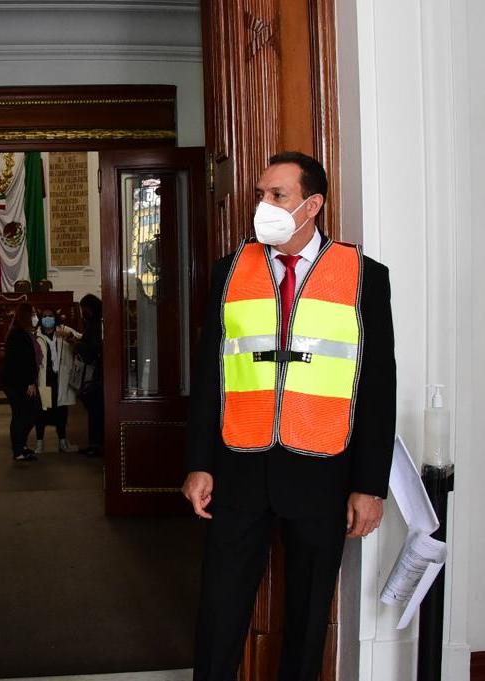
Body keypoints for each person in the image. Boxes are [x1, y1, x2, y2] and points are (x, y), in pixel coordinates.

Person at [181, 151, 396, 681]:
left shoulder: (364, 276)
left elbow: (378, 385)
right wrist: (199, 463)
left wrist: (370, 484)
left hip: (323, 472)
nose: (263, 205)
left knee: (306, 622)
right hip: (239, 469)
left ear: (312, 205)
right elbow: (212, 375)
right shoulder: (230, 271)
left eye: (277, 196)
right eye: (261, 194)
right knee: (219, 613)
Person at [34, 308, 81, 454]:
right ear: (41, 319)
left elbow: (81, 340)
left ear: (56, 318)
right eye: (45, 316)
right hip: (44, 380)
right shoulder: (36, 335)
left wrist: (69, 337)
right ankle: (39, 443)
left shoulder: (64, 331)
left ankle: (62, 442)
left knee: (61, 411)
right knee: (42, 412)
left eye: (51, 316)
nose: (48, 318)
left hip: (60, 380)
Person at [2, 302, 41, 461]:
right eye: (32, 314)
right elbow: (22, 362)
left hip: (19, 382)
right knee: (23, 415)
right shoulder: (18, 334)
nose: (35, 317)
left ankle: (21, 446)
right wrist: (29, 383)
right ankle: (18, 450)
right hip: (18, 383)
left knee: (28, 414)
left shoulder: (22, 332)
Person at [75, 293, 104, 457]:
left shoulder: (95, 324)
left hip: (97, 375)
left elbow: (91, 350)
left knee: (95, 411)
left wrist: (77, 345)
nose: (82, 312)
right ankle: (95, 443)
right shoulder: (98, 321)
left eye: (83, 309)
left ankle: (96, 444)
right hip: (97, 374)